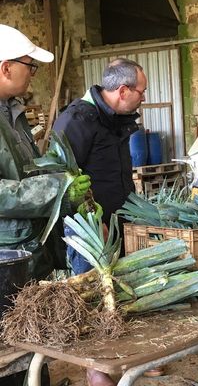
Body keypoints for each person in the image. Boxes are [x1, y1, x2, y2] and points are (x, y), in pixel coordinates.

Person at [53, 58, 146, 386]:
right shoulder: (77, 119)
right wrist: (93, 220)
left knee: (118, 296)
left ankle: (126, 359)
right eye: (141, 92)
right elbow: (61, 178)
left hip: (118, 222)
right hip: (91, 230)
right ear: (123, 91)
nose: (143, 98)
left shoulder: (115, 118)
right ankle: (97, 371)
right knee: (93, 296)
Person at [0, 24, 91, 280]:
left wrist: (69, 187)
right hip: (7, 257)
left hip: (28, 246)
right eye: (30, 66)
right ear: (6, 67)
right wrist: (57, 190)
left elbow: (26, 170)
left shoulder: (12, 112)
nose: (32, 74)